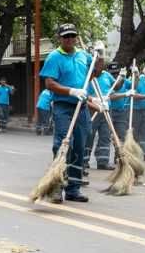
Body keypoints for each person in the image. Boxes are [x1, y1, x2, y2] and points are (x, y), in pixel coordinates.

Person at [39, 23, 93, 203]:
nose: (69, 39)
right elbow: (49, 83)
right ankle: (56, 187)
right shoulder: (54, 57)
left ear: (76, 37)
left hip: (82, 107)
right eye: (66, 36)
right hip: (63, 106)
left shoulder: (83, 55)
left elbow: (95, 73)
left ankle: (73, 189)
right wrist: (71, 91)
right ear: (60, 38)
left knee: (79, 146)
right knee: (63, 145)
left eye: (72, 36)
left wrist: (99, 57)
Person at [86, 60, 115, 170]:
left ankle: (103, 161)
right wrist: (94, 100)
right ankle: (84, 160)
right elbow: (85, 94)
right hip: (93, 109)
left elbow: (115, 87)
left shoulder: (107, 75)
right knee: (89, 134)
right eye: (98, 63)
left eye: (101, 63)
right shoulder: (89, 77)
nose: (100, 65)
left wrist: (121, 77)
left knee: (105, 135)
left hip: (106, 109)